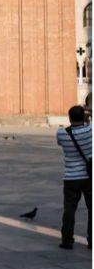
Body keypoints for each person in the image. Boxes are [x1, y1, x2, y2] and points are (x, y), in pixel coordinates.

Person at [57, 105, 92, 250]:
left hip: (71, 177)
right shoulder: (91, 131)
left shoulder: (61, 134)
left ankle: (67, 240)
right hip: (89, 176)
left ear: (69, 117)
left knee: (69, 210)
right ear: (83, 116)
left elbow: (60, 143)